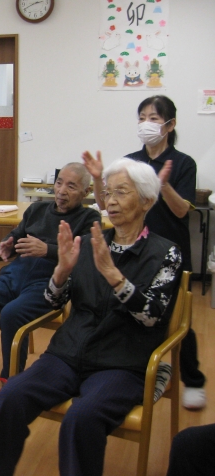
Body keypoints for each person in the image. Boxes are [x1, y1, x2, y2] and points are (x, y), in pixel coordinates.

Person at [0, 158, 183, 476]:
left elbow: (151, 317)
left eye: (122, 192)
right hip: (67, 353)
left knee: (81, 417)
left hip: (122, 362)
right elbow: (54, 301)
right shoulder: (88, 243)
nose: (111, 201)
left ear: (146, 201)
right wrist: (60, 273)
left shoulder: (166, 253)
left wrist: (114, 276)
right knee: (10, 397)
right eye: (108, 192)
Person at [83, 94, 206, 410]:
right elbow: (105, 203)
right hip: (133, 247)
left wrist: (162, 184)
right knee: (131, 307)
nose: (146, 124)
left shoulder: (183, 163)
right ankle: (131, 366)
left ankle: (192, 380)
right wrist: (97, 178)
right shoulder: (130, 162)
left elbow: (182, 211)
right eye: (142, 118)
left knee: (176, 317)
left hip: (169, 251)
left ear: (170, 124)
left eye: (153, 118)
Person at [0, 163, 101, 405]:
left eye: (71, 186)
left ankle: (11, 381)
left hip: (49, 284)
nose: (62, 191)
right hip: (14, 276)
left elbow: (85, 255)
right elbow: (17, 235)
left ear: (85, 191)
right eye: (59, 183)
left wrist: (47, 250)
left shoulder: (89, 218)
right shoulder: (37, 209)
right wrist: (7, 244)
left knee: (12, 315)